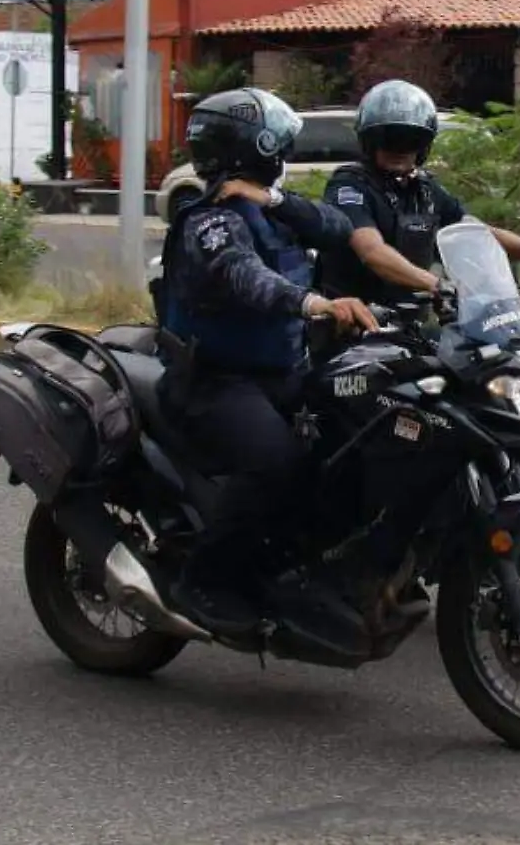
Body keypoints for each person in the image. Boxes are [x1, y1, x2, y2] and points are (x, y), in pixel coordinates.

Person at [154, 86, 378, 645]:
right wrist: (316, 304)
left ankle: (311, 566)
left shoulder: (268, 210)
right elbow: (244, 277)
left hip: (281, 373)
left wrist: (272, 200)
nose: (284, 158)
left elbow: (335, 228)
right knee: (275, 462)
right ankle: (203, 581)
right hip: (215, 381)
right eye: (277, 148)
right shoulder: (209, 220)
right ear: (253, 149)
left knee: (357, 435)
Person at [318, 79, 520, 308]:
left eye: (411, 139)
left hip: (410, 319)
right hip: (354, 323)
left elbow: (476, 232)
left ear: (424, 145)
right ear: (369, 141)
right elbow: (372, 251)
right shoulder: (349, 186)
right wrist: (436, 284)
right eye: (389, 138)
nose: (400, 149)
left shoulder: (424, 189)